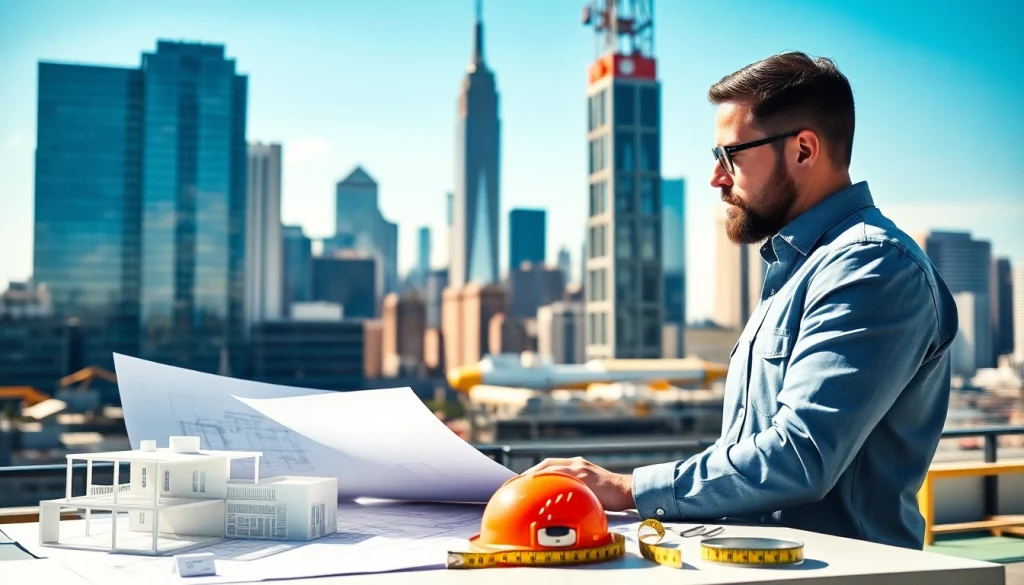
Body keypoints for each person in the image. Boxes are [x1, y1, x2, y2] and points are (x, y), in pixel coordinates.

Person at [523, 51, 958, 550]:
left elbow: (800, 455)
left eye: (730, 155)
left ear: (803, 150)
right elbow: (750, 455)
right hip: (760, 566)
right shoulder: (796, 271)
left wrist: (628, 489)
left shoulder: (871, 267)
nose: (717, 177)